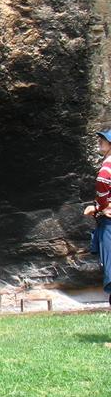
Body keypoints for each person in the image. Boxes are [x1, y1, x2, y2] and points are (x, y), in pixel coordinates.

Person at [84, 129, 111, 305]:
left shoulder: (106, 171)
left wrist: (99, 207)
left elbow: (103, 195)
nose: (100, 141)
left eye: (104, 139)